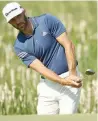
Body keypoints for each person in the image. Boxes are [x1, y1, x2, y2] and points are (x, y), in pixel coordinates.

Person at [2, 2, 82, 115]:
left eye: (18, 16)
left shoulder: (47, 20)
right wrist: (62, 82)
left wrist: (72, 74)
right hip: (48, 86)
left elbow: (68, 45)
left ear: (24, 11)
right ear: (9, 22)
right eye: (12, 20)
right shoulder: (19, 46)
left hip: (69, 77)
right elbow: (41, 69)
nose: (17, 21)